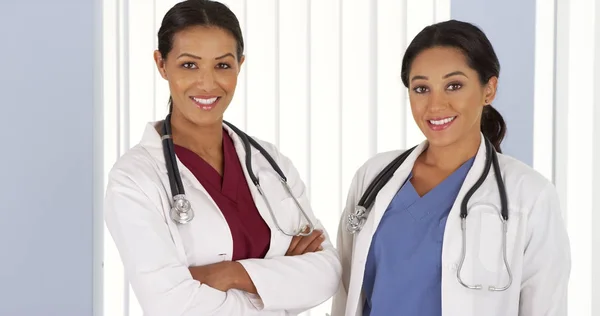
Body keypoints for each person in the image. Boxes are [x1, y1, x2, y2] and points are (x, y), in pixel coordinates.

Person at [104, 1, 341, 315]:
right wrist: (279, 281)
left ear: (240, 65)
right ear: (161, 64)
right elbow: (171, 304)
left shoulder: (268, 161)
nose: (207, 83)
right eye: (189, 65)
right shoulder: (134, 179)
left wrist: (230, 274)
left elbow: (327, 273)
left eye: (223, 65)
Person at [331, 20, 570, 316]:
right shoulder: (373, 177)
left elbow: (546, 307)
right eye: (421, 88)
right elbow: (346, 292)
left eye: (453, 85)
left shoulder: (529, 194)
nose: (435, 105)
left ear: (489, 90)